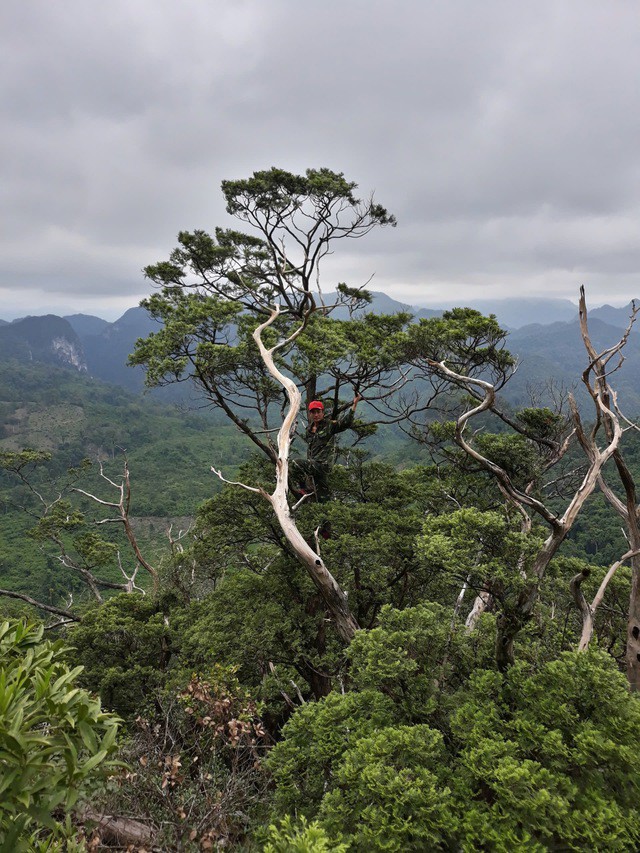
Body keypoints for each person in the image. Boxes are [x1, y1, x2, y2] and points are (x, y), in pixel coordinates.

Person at [291, 394, 362, 503]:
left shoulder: (329, 425)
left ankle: (303, 489)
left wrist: (355, 404)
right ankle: (325, 517)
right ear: (310, 414)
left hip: (323, 465)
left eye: (318, 412)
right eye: (313, 412)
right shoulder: (309, 430)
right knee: (323, 499)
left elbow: (346, 423)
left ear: (322, 413)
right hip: (314, 466)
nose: (316, 415)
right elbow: (311, 449)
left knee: (296, 463)